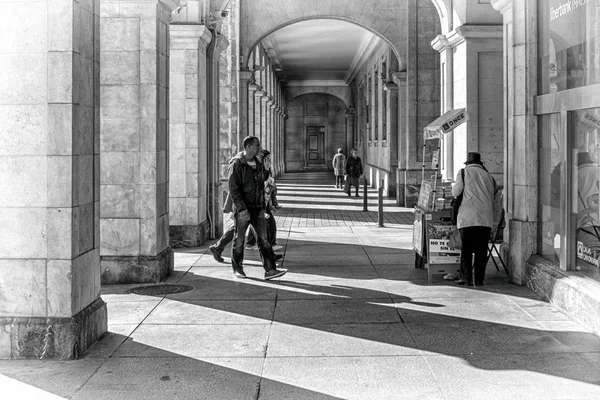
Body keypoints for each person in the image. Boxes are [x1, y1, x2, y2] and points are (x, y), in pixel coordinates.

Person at [228, 136, 287, 280]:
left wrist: (266, 171)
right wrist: (241, 210)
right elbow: (234, 190)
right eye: (257, 145)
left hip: (257, 207)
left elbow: (261, 183)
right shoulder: (237, 164)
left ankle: (270, 270)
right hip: (243, 209)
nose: (259, 148)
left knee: (264, 239)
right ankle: (238, 269)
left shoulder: (258, 162)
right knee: (239, 239)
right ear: (248, 147)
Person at [452, 152, 502, 286]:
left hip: (467, 217)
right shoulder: (490, 177)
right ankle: (479, 279)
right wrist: (495, 223)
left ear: (468, 163)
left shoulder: (464, 173)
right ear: (480, 164)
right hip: (485, 219)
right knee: (481, 251)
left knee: (466, 249)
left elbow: (456, 192)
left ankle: (465, 277)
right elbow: (497, 202)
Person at [246, 149, 283, 251]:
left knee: (256, 222)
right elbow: (262, 182)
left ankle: (252, 243)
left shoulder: (266, 168)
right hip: (258, 200)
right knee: (269, 222)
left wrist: (273, 203)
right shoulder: (258, 168)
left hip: (263, 200)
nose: (270, 161)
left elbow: (271, 187)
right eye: (268, 159)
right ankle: (270, 244)